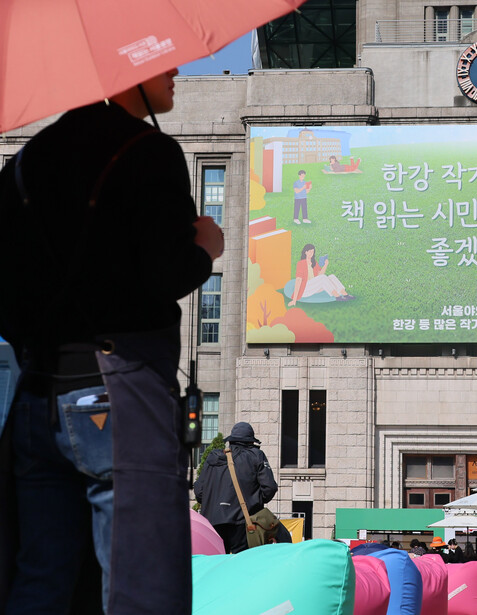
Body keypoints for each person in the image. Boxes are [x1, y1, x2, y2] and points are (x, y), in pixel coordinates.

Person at [0, 67, 223, 615]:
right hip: (119, 396)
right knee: (139, 576)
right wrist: (205, 246)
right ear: (126, 70)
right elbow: (165, 273)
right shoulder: (148, 151)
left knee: (42, 575)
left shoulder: (25, 166)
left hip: (37, 395)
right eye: (162, 61)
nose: (174, 72)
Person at [193, 422, 278, 553]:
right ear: (250, 442)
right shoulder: (256, 455)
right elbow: (269, 488)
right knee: (242, 565)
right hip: (242, 522)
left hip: (213, 522)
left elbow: (199, 491)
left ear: (231, 441)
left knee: (217, 565)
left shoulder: (213, 457)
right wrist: (253, 502)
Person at [288, 243, 354, 306]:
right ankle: (337, 296)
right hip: (305, 289)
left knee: (331, 276)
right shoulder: (301, 263)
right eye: (310, 252)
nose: (311, 253)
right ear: (305, 252)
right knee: (323, 278)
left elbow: (320, 275)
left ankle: (345, 294)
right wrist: (294, 300)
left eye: (313, 252)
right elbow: (298, 280)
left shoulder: (314, 262)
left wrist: (325, 265)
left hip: (314, 286)